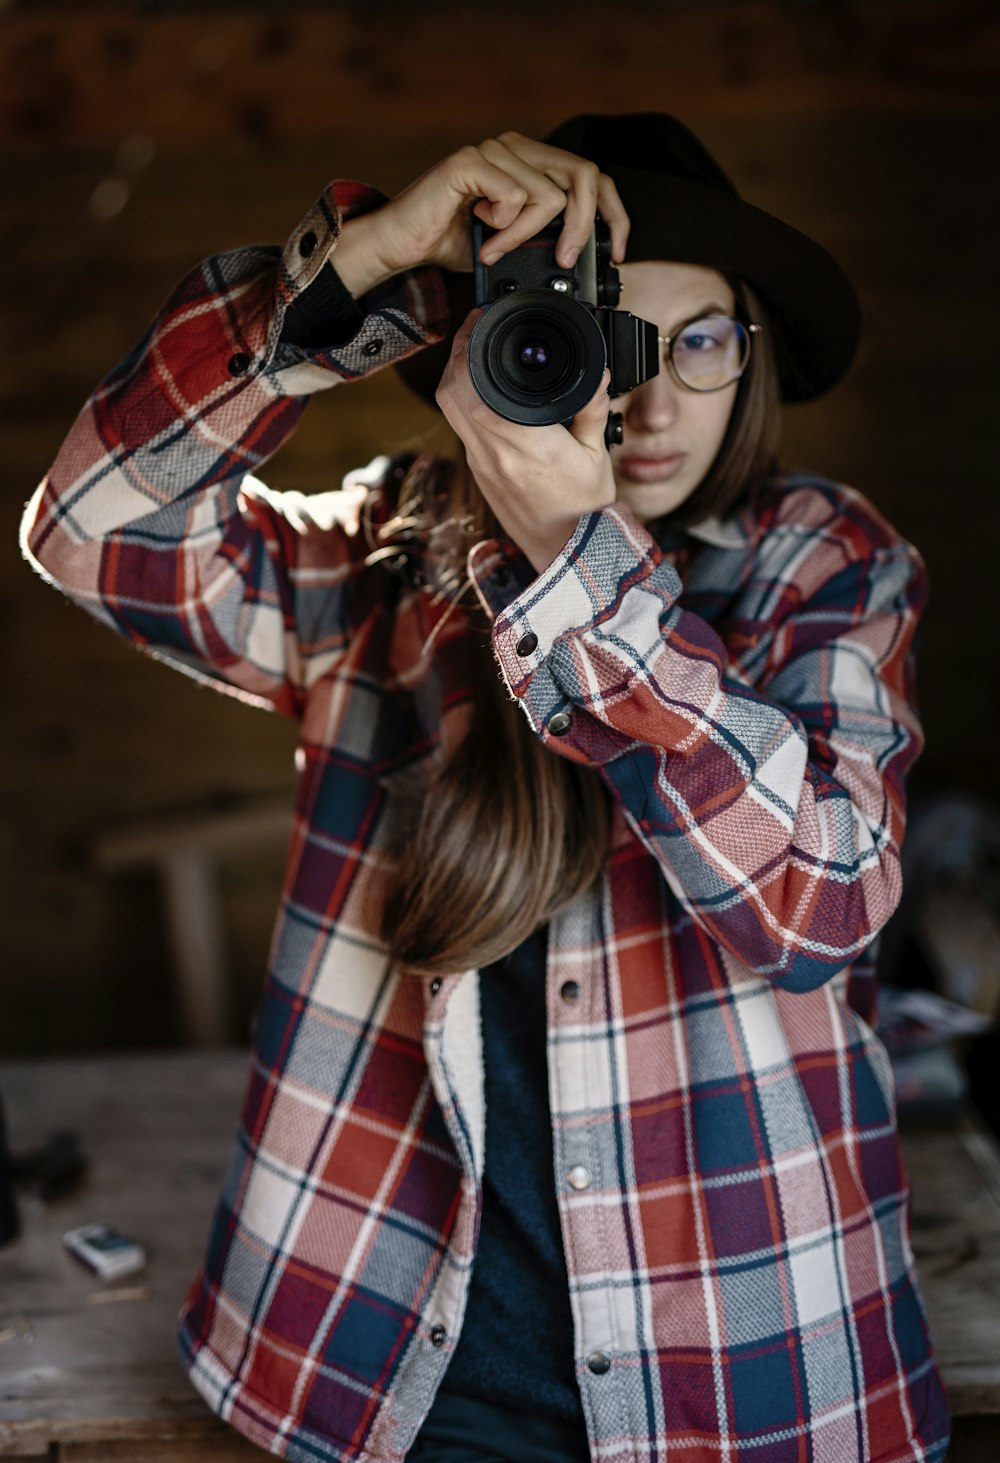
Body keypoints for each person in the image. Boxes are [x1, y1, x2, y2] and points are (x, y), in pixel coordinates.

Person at [21, 114, 951, 1463]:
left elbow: (822, 901)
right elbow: (92, 531)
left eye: (699, 339)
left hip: (752, 1383)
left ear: (752, 360)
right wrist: (343, 280)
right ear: (496, 348)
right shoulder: (386, 561)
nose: (646, 397)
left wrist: (583, 558)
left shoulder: (823, 563)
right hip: (393, 1375)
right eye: (604, 335)